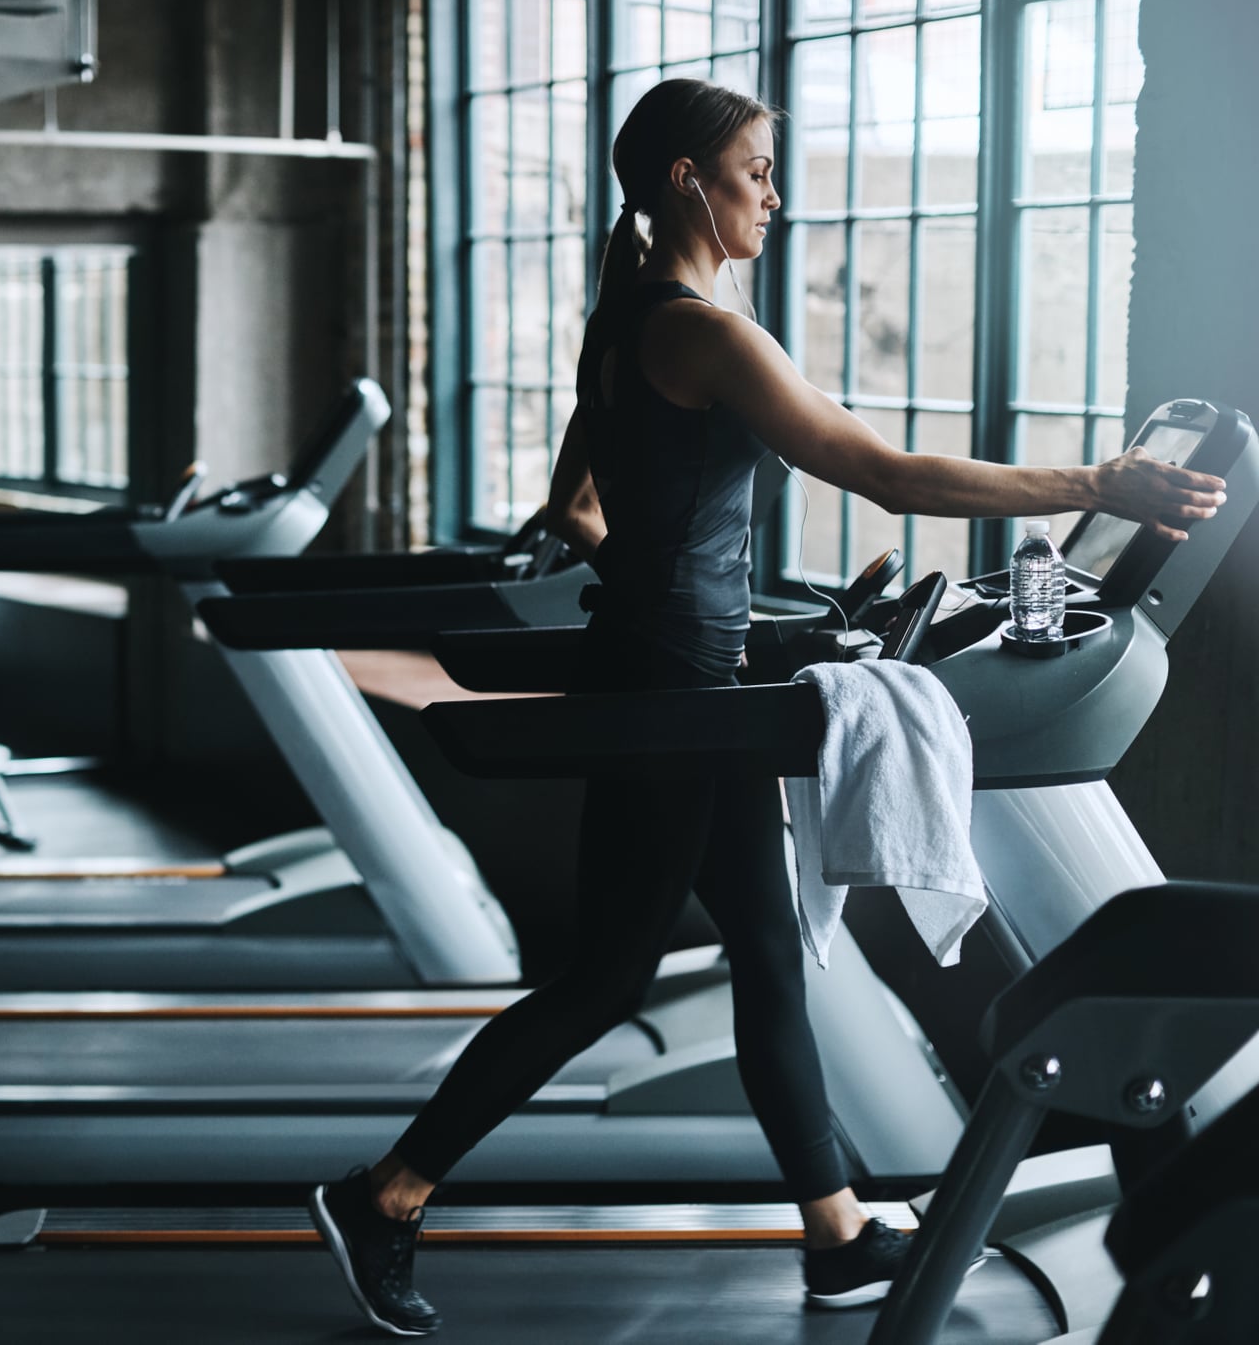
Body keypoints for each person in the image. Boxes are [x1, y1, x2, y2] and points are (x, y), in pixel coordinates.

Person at [307, 77, 1227, 1338]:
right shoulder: (700, 329)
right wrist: (1099, 481)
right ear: (688, 178)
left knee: (770, 962)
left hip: (686, 679)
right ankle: (386, 1194)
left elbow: (576, 508)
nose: (773, 196)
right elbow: (883, 471)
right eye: (755, 168)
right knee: (603, 976)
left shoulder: (623, 315)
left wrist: (705, 603)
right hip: (680, 695)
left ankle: (837, 1233)